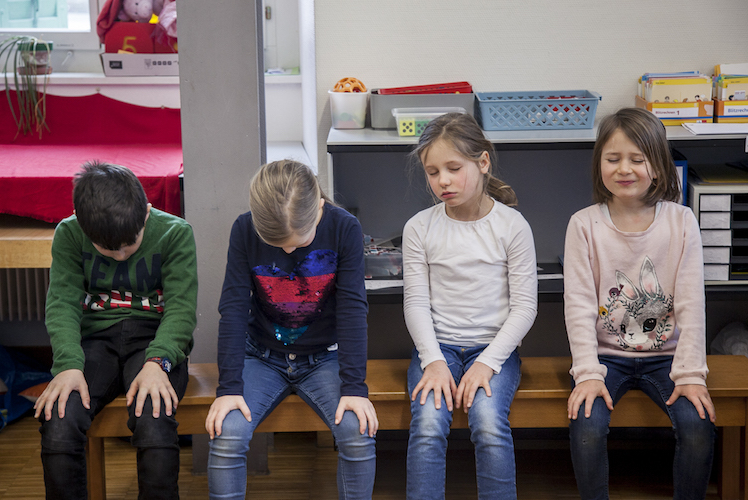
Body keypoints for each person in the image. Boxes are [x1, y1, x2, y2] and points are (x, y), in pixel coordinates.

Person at [564, 107, 716, 500]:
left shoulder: (682, 222)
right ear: (599, 164)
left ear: (659, 166)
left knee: (698, 426)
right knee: (587, 427)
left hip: (668, 357)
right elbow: (578, 305)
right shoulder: (583, 224)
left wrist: (691, 375)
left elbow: (690, 303)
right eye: (613, 159)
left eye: (637, 159)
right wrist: (588, 373)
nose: (624, 169)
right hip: (604, 357)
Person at [205, 159, 378, 499]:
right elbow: (234, 309)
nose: (287, 250)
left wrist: (354, 387)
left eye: (299, 241)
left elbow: (353, 310)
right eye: (278, 242)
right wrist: (229, 388)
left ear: (319, 208)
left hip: (325, 359)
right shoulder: (243, 229)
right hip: (261, 358)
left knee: (357, 432)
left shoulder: (345, 227)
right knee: (227, 434)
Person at [34, 161, 198, 499]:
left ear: (147, 211)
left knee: (154, 420)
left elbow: (181, 310)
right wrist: (67, 365)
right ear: (83, 224)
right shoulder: (69, 232)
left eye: (131, 244)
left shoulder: (175, 232)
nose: (121, 255)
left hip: (154, 343)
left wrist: (159, 362)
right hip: (96, 343)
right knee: (60, 421)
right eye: (109, 250)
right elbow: (61, 303)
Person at [402, 112, 538, 500]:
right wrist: (433, 360)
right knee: (428, 422)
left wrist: (487, 363)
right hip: (437, 349)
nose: (442, 180)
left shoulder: (512, 226)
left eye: (453, 168)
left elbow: (525, 307)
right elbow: (415, 303)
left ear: (482, 163)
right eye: (432, 171)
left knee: (488, 421)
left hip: (493, 351)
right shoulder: (419, 228)